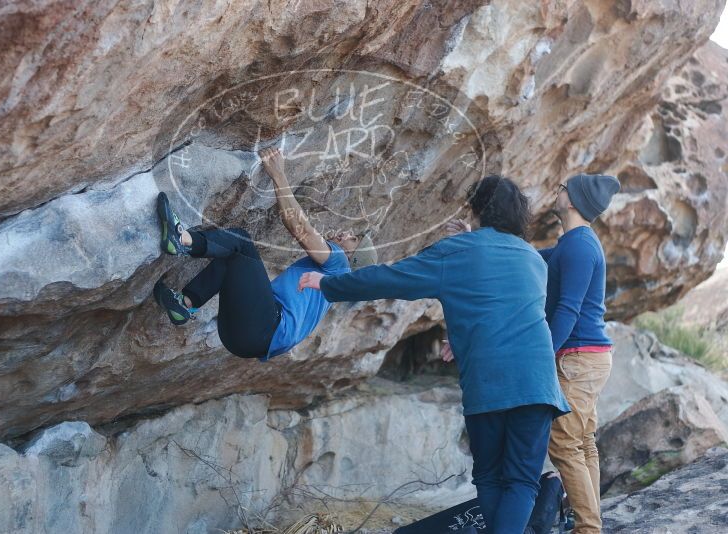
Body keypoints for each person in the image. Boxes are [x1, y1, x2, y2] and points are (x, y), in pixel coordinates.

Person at [299, 175, 570, 534]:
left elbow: (391, 278)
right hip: (538, 383)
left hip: (489, 383)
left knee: (490, 476)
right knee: (522, 481)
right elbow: (504, 307)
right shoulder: (533, 259)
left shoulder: (457, 251)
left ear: (476, 209)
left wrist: (329, 283)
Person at [152, 147, 378, 360]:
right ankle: (185, 304)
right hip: (243, 341)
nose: (348, 234)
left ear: (352, 257)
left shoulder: (340, 264)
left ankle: (181, 239)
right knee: (233, 259)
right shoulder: (328, 289)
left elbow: (301, 229)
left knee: (241, 243)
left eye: (354, 239)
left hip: (265, 326)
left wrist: (278, 174)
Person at [539, 173, 620, 534]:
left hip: (579, 359)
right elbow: (533, 257)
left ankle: (588, 528)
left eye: (561, 189)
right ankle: (586, 520)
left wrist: (545, 354)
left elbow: (568, 310)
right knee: (583, 441)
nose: (556, 192)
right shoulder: (572, 244)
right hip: (588, 357)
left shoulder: (579, 246)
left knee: (564, 442)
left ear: (571, 201)